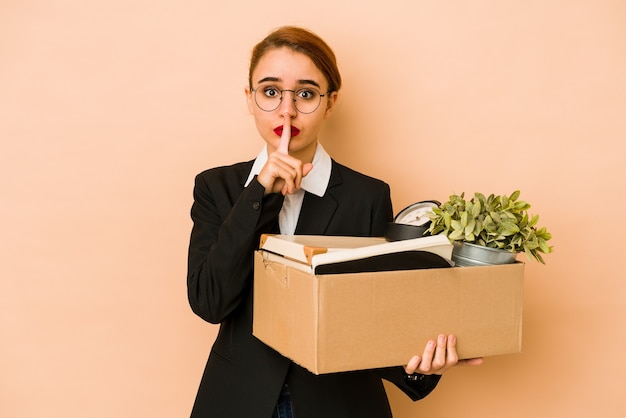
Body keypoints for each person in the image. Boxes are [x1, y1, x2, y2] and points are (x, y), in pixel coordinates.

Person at [187, 26, 482, 418]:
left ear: (330, 102)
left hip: (340, 404)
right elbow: (210, 301)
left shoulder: (368, 196)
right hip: (240, 399)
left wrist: (421, 365)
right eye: (271, 91)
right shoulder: (217, 187)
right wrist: (258, 194)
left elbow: (372, 320)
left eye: (306, 93)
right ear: (250, 98)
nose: (287, 110)